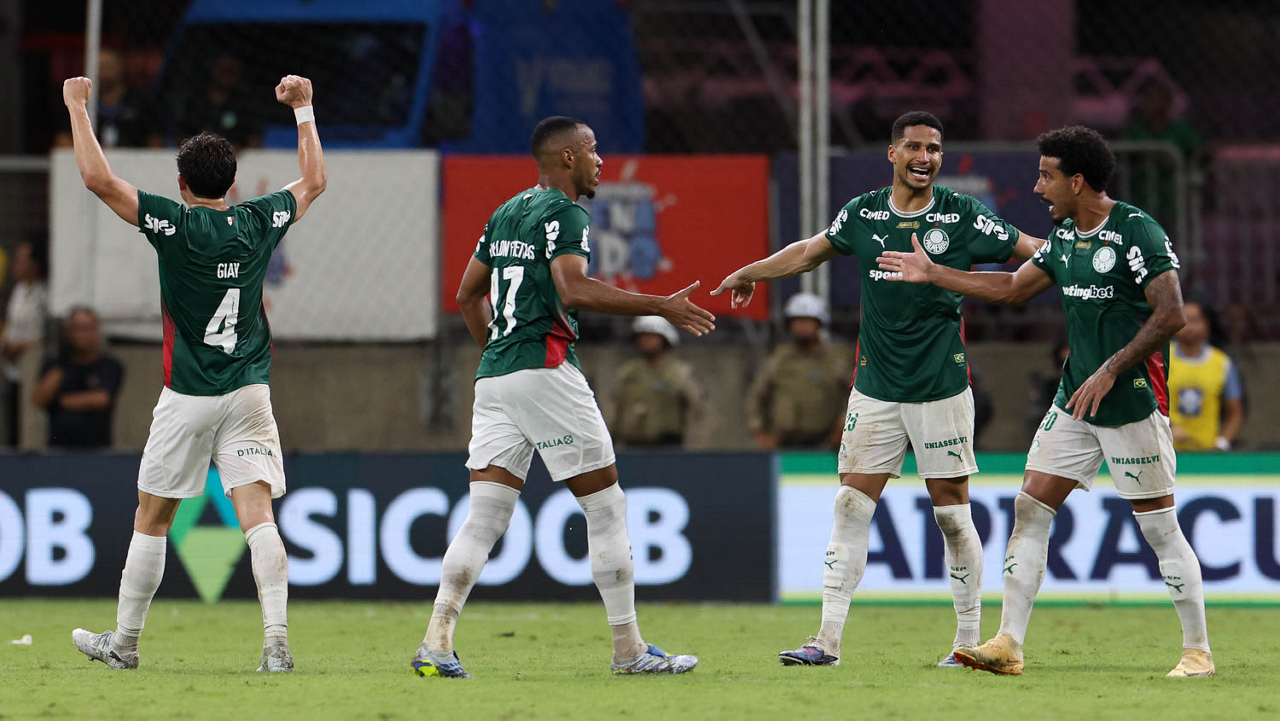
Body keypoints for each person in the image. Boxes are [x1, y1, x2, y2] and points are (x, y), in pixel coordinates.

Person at [878, 125, 1213, 677]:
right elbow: (1012, 288)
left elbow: (1171, 313)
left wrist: (1110, 368)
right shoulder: (1063, 238)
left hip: (1129, 398)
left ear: (1077, 181)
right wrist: (936, 273)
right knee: (1030, 506)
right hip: (1075, 398)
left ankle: (1197, 651)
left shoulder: (1136, 232)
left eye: (1046, 176)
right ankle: (1008, 644)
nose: (1037, 187)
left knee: (1158, 526)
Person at [713, 111, 1044, 668]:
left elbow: (1034, 251)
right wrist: (751, 271)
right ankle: (827, 641)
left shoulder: (962, 215)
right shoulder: (864, 212)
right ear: (893, 153)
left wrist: (1087, 268)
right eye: (914, 146)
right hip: (875, 389)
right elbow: (808, 251)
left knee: (951, 517)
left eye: (935, 149)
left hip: (940, 388)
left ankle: (965, 643)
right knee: (849, 505)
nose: (925, 157)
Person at [414, 116, 713, 679]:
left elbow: (465, 294)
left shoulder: (507, 211)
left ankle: (436, 641)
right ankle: (628, 650)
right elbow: (572, 288)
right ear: (568, 158)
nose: (602, 159)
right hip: (545, 368)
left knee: (483, 519)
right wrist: (661, 305)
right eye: (594, 149)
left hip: (495, 375)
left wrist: (500, 354)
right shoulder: (567, 212)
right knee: (606, 506)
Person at [64, 73, 327, 672]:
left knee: (152, 517)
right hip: (249, 393)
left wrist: (78, 107)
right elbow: (314, 181)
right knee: (257, 516)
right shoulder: (259, 221)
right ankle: (276, 644)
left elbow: (97, 179)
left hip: (187, 394)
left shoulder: (173, 224)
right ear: (232, 184)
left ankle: (125, 646)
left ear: (182, 185)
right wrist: (305, 109)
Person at [746, 293, 850, 449]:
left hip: (827, 443)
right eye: (796, 321)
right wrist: (759, 432)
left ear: (820, 324)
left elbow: (853, 395)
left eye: (807, 321)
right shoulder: (778, 359)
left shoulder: (836, 359)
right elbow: (757, 395)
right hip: (784, 442)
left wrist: (843, 426)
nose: (801, 326)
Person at [32, 307, 124, 449]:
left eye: (88, 328)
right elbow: (39, 399)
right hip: (58, 449)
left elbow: (101, 399)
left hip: (97, 449)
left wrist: (60, 401)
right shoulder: (56, 364)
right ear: (67, 332)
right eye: (78, 329)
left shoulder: (109, 365)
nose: (83, 335)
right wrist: (63, 362)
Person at [611, 316, 707, 447]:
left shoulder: (679, 372)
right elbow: (614, 411)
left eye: (651, 336)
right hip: (632, 446)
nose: (645, 341)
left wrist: (697, 448)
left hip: (668, 447)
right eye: (642, 336)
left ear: (665, 339)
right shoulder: (628, 373)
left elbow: (701, 411)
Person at [1169, 300, 1243, 451]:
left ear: (1207, 324)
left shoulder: (1221, 362)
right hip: (1165, 451)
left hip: (1207, 454)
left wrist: (1221, 444)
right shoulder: (1160, 358)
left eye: (1195, 320)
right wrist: (1167, 429)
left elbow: (1234, 413)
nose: (1189, 327)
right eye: (1184, 320)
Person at [54, 49, 160, 149]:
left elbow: (155, 142)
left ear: (120, 68)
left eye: (108, 67)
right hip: (92, 163)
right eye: (99, 68)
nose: (103, 73)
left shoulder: (139, 102)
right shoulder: (81, 102)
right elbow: (63, 141)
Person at [1, 240, 49, 447]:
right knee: (10, 417)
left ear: (35, 264)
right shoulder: (18, 290)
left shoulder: (44, 294)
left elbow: (47, 335)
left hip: (32, 365)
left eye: (22, 260)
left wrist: (22, 346)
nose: (16, 265)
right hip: (10, 364)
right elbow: (11, 322)